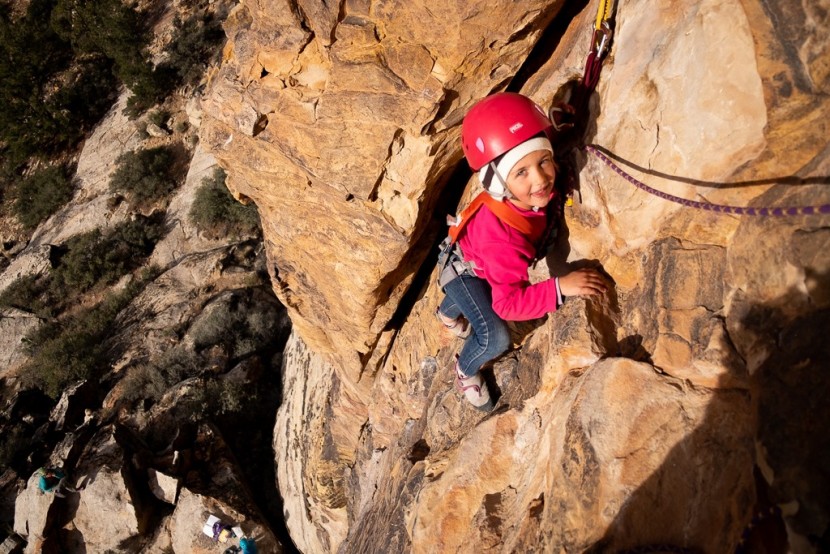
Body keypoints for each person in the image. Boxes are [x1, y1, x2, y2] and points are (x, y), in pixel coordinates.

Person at [436, 92, 606, 411]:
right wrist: (560, 287)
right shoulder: (503, 240)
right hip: (467, 270)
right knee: (495, 337)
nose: (541, 179)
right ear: (500, 183)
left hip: (474, 258)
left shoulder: (513, 182)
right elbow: (508, 304)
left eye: (544, 161)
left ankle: (448, 312)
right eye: (522, 173)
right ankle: (466, 369)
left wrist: (560, 121)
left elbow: (528, 147)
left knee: (483, 281)